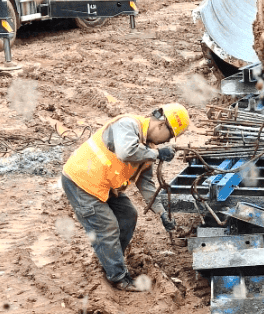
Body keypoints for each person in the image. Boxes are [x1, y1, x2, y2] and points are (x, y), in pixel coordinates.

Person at [61, 103, 190, 292]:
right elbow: (126, 151)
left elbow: (146, 185)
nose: (166, 142)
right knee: (107, 226)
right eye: (169, 137)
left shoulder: (149, 147)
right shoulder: (128, 125)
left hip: (104, 184)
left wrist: (162, 213)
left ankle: (111, 259)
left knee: (128, 215)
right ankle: (119, 278)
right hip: (82, 181)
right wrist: (157, 154)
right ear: (162, 126)